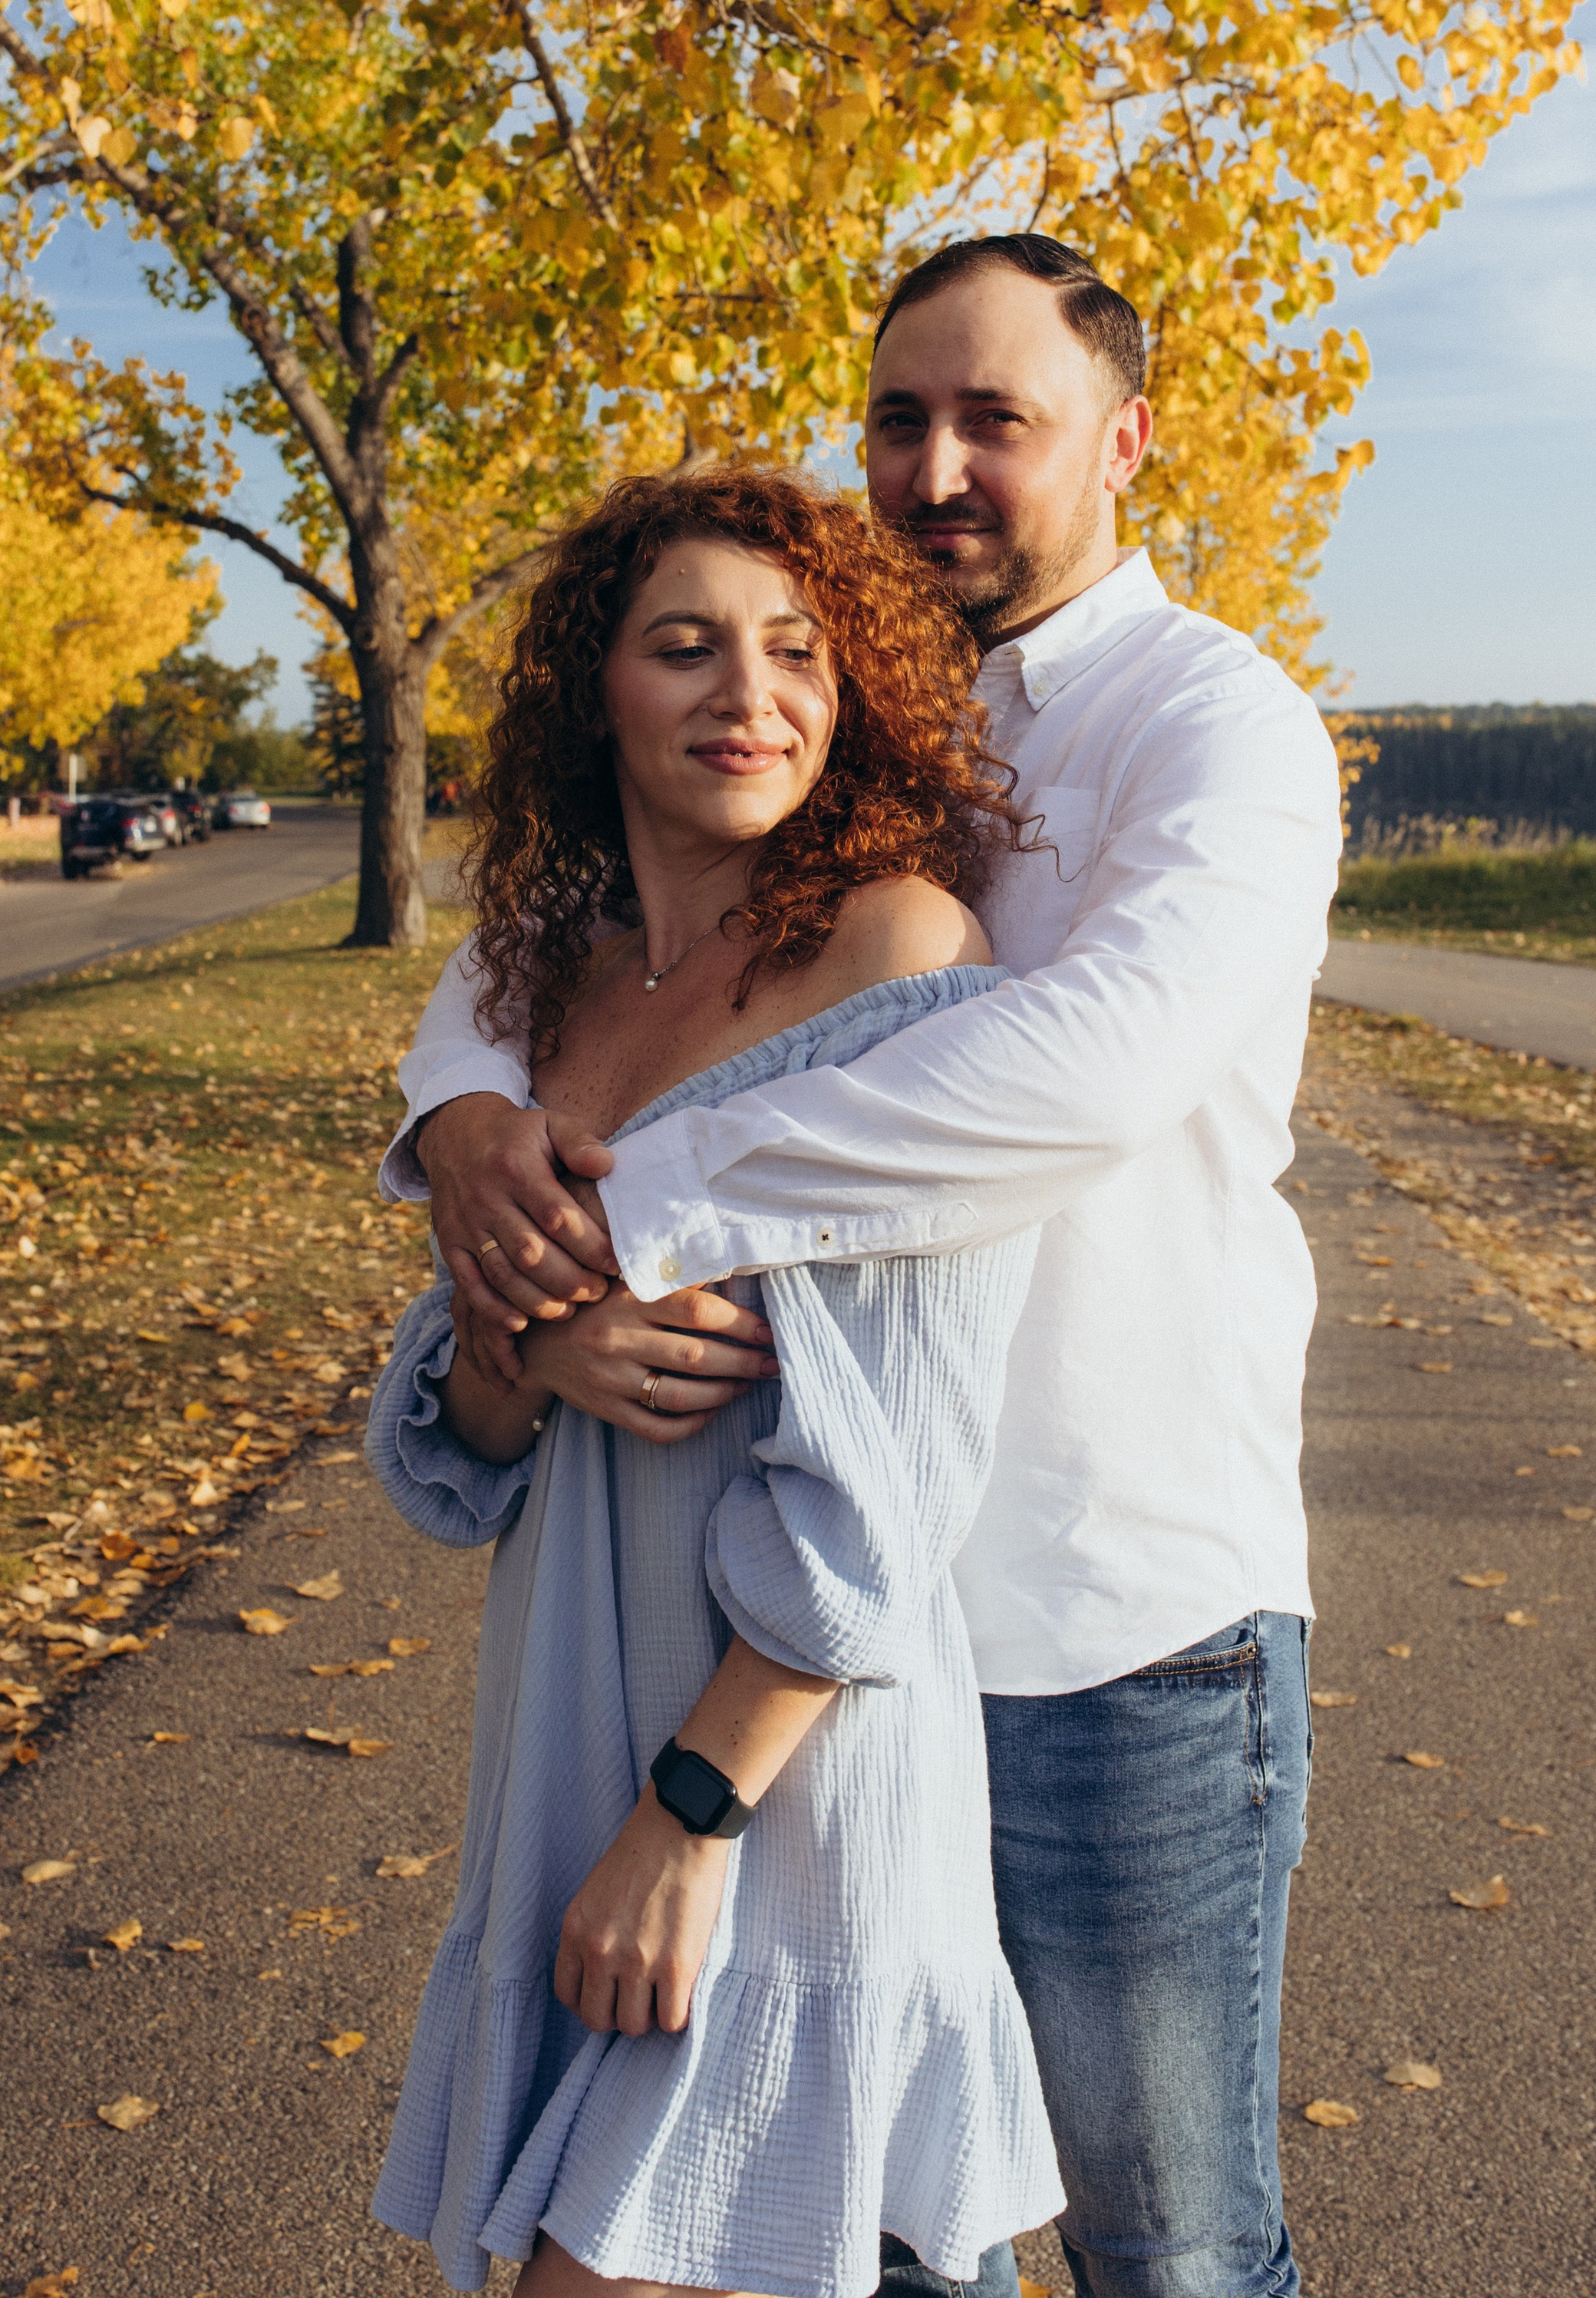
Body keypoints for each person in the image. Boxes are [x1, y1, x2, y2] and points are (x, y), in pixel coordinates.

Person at [389, 235, 1342, 2298]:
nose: (935, 469)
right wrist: (459, 1115)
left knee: (1170, 2250)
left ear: (1124, 439)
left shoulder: (1212, 721)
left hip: (1107, 1620)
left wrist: (630, 1211)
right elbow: (583, 954)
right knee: (877, 2244)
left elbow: (1097, 1064)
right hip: (822, 1642)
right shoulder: (848, 717)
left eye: (997, 419)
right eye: (899, 419)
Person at [366, 467, 1063, 2298]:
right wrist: (542, 1344)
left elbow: (898, 1471)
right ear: (592, 693)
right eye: (684, 648)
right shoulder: (545, 986)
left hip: (778, 1778)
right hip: (564, 1726)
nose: (748, 694)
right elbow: (462, 1444)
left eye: (795, 652)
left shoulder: (895, 951)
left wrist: (689, 1820)